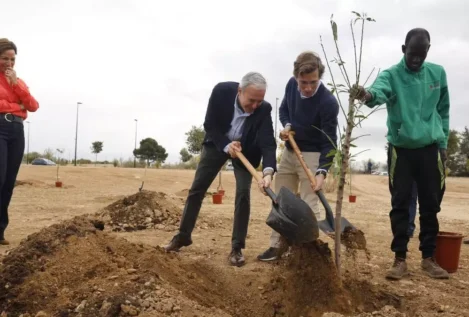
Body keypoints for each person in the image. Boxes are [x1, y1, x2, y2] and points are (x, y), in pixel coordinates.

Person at [352, 28, 450, 279]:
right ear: (403, 49)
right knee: (400, 205)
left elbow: (444, 110)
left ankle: (429, 258)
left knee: (430, 205)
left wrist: (443, 144)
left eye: (422, 54)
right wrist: (366, 94)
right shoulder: (392, 75)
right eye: (412, 54)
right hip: (402, 151)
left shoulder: (437, 73)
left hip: (430, 149)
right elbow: (378, 92)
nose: (416, 59)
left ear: (428, 50)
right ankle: (400, 259)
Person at [164, 72, 277, 266]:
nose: (255, 106)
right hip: (218, 144)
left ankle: (237, 247)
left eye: (260, 101)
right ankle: (183, 236)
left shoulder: (264, 109)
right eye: (251, 100)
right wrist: (226, 145)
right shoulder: (221, 92)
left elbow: (267, 142)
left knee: (243, 194)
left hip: (246, 151)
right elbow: (210, 124)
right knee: (197, 189)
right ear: (239, 91)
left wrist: (268, 172)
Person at [257, 51, 339, 261]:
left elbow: (330, 141)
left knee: (309, 204)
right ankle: (277, 247)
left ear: (319, 76)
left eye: (313, 82)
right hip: (289, 152)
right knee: (281, 199)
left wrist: (321, 171)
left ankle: (308, 252)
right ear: (296, 78)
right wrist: (288, 126)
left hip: (312, 156)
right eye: (303, 82)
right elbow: (284, 109)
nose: (308, 87)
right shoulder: (291, 86)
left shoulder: (328, 102)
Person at [0, 38, 39, 245]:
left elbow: (32, 106)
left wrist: (16, 87)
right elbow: (20, 107)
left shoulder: (18, 81)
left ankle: (0, 230)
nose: (9, 63)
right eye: (4, 58)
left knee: (8, 183)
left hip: (17, 131)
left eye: (12, 59)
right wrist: (17, 106)